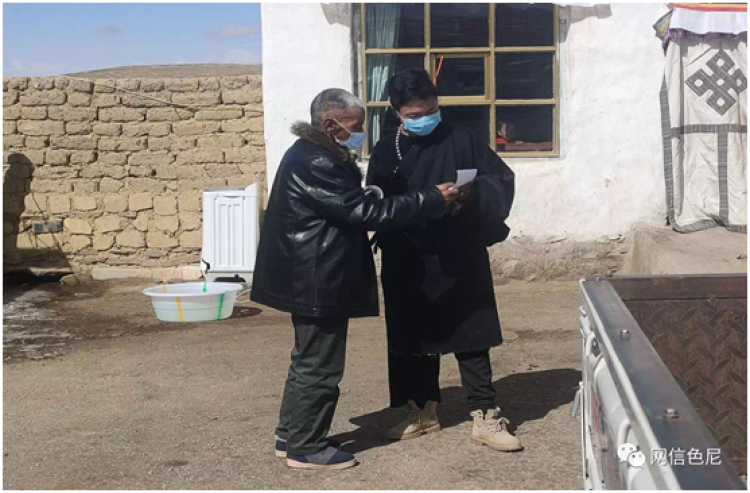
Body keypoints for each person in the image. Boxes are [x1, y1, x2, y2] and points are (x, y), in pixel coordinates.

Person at [250, 88, 460, 470]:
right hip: (317, 278)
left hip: (309, 274)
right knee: (320, 365)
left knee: (307, 359)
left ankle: (292, 434)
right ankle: (306, 448)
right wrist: (430, 198)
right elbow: (363, 213)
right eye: (356, 124)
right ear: (331, 125)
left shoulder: (309, 153)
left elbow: (345, 206)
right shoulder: (318, 160)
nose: (361, 131)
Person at [366, 69, 522, 452]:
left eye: (431, 110)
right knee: (415, 337)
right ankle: (422, 411)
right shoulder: (386, 150)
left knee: (472, 335)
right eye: (415, 115)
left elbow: (500, 179)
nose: (425, 119)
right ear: (397, 113)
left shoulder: (462, 139)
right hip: (409, 257)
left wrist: (472, 193)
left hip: (459, 251)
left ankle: (485, 415)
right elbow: (377, 205)